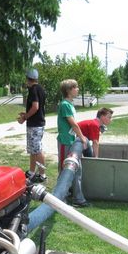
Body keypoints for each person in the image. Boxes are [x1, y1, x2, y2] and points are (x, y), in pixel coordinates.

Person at [57, 79, 89, 207]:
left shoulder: (69, 104)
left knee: (76, 169)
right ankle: (60, 198)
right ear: (69, 90)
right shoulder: (65, 104)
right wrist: (82, 138)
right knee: (65, 170)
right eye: (75, 87)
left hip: (72, 141)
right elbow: (73, 124)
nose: (78, 89)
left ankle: (76, 197)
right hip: (66, 142)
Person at [17, 69, 47, 182]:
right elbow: (36, 109)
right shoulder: (40, 89)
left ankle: (42, 175)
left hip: (35, 125)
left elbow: (35, 107)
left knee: (38, 150)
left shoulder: (33, 90)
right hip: (36, 123)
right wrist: (26, 114)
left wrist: (25, 117)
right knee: (33, 150)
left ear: (28, 79)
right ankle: (31, 172)